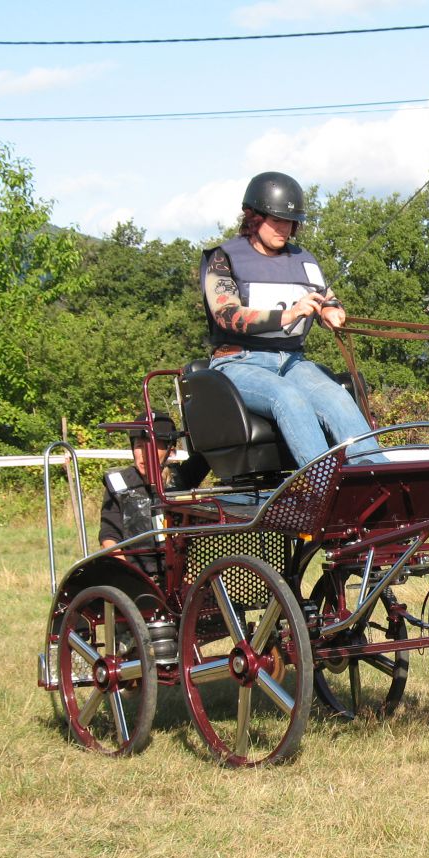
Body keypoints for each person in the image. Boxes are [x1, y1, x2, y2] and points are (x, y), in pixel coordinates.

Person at [200, 170, 379, 467]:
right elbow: (227, 315)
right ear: (254, 217)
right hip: (239, 362)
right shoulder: (224, 257)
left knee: (337, 397)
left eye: (291, 222)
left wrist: (331, 311)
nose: (284, 229)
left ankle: (376, 476)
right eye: (277, 220)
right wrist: (290, 314)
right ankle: (323, 483)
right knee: (288, 397)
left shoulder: (303, 259)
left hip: (293, 362)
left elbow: (326, 297)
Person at [99, 411, 202, 576]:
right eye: (139, 446)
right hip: (134, 575)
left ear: (170, 451)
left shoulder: (182, 478)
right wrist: (131, 577)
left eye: (152, 446)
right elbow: (109, 537)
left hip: (175, 576)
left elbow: (206, 453)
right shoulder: (118, 484)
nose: (144, 454)